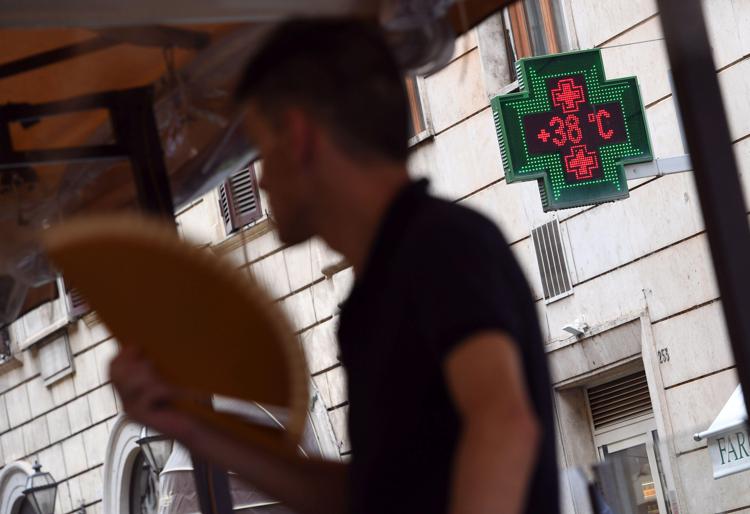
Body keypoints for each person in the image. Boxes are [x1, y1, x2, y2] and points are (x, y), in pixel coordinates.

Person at [110, 18, 559, 514]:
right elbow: (361, 496)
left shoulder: (442, 245)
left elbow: (503, 423)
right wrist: (188, 425)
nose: (259, 182)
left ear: (299, 137)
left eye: (260, 150)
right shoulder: (380, 291)